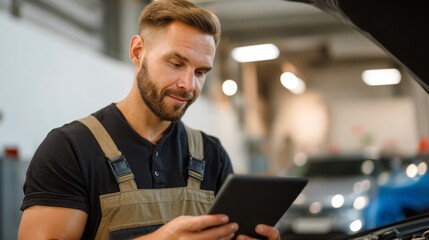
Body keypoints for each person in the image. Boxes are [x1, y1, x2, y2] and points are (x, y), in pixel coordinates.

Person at [18, 0, 281, 239]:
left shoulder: (212, 154)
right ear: (137, 52)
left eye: (200, 72)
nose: (188, 85)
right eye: (176, 64)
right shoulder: (70, 149)